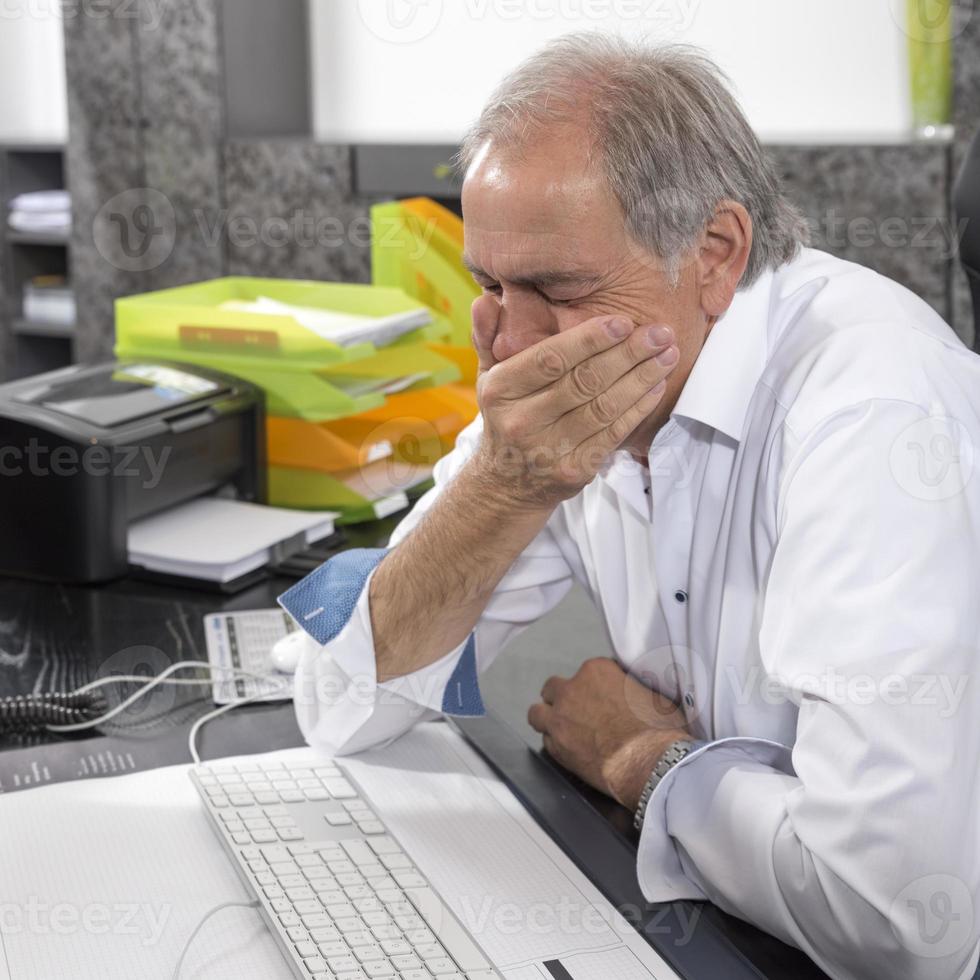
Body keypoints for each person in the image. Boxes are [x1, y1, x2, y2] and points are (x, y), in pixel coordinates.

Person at [282, 34, 980, 980]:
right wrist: (502, 483)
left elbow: (897, 918)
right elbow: (343, 701)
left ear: (716, 254)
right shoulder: (588, 392)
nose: (515, 341)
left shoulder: (871, 416)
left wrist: (641, 762)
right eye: (489, 285)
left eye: (560, 291)